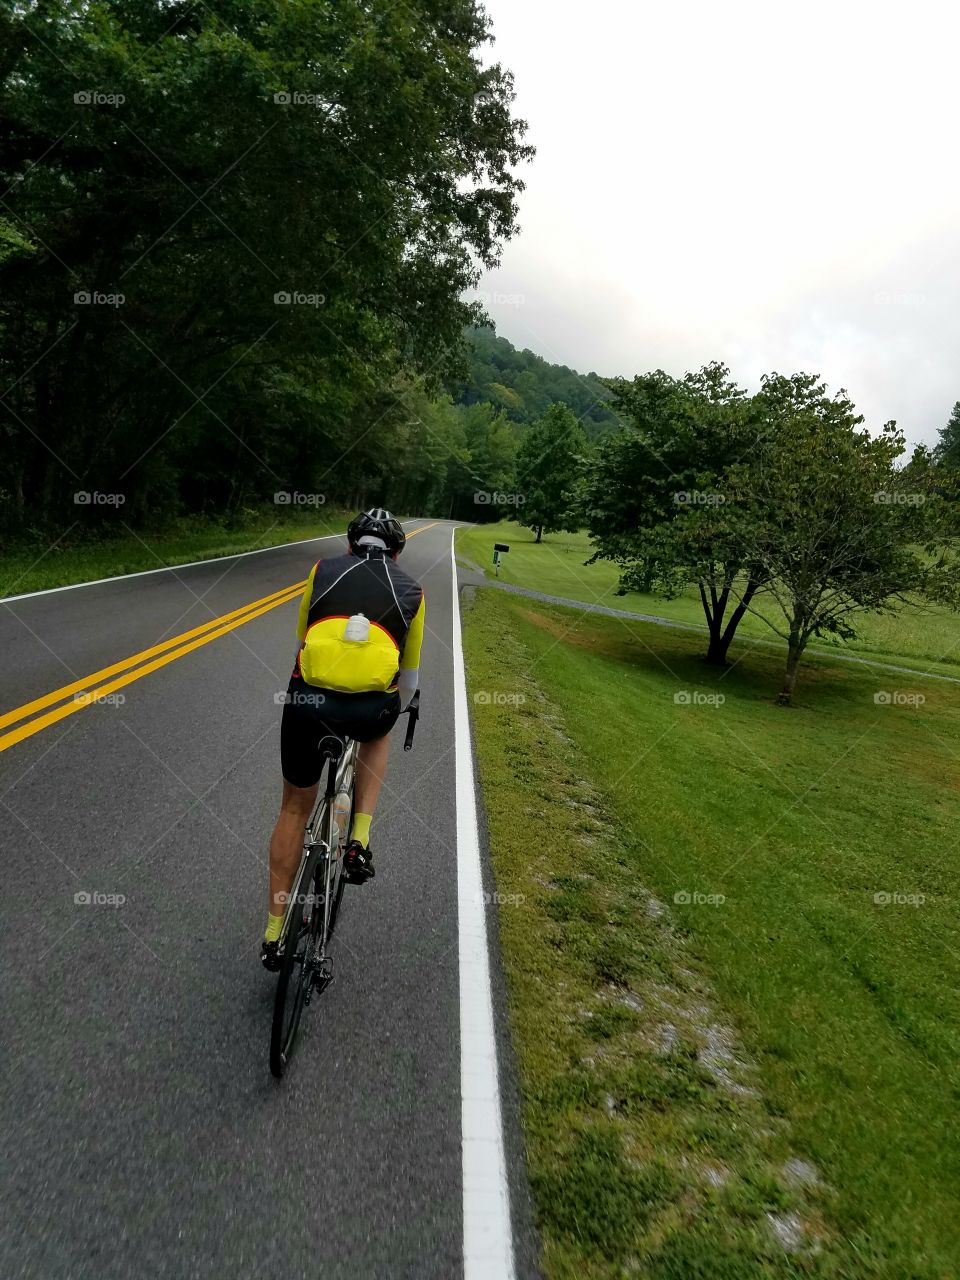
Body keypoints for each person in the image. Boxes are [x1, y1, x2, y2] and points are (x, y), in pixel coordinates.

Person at [261, 508, 425, 970]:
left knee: (294, 807)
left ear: (351, 545)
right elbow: (408, 679)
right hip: (369, 709)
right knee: (380, 732)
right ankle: (358, 839)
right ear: (396, 552)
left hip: (309, 704)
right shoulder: (413, 589)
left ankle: (274, 933)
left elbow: (301, 647)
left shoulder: (321, 571)